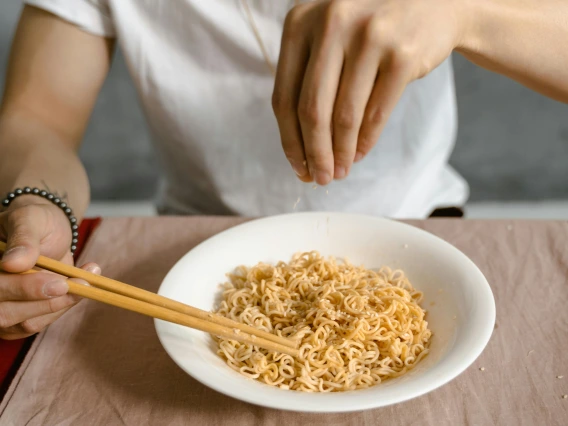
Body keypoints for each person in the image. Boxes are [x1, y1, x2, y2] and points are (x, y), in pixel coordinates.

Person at [0, 0, 566, 340]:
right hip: (200, 255)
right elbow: (37, 118)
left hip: (422, 228)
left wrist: (464, 11)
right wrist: (32, 203)